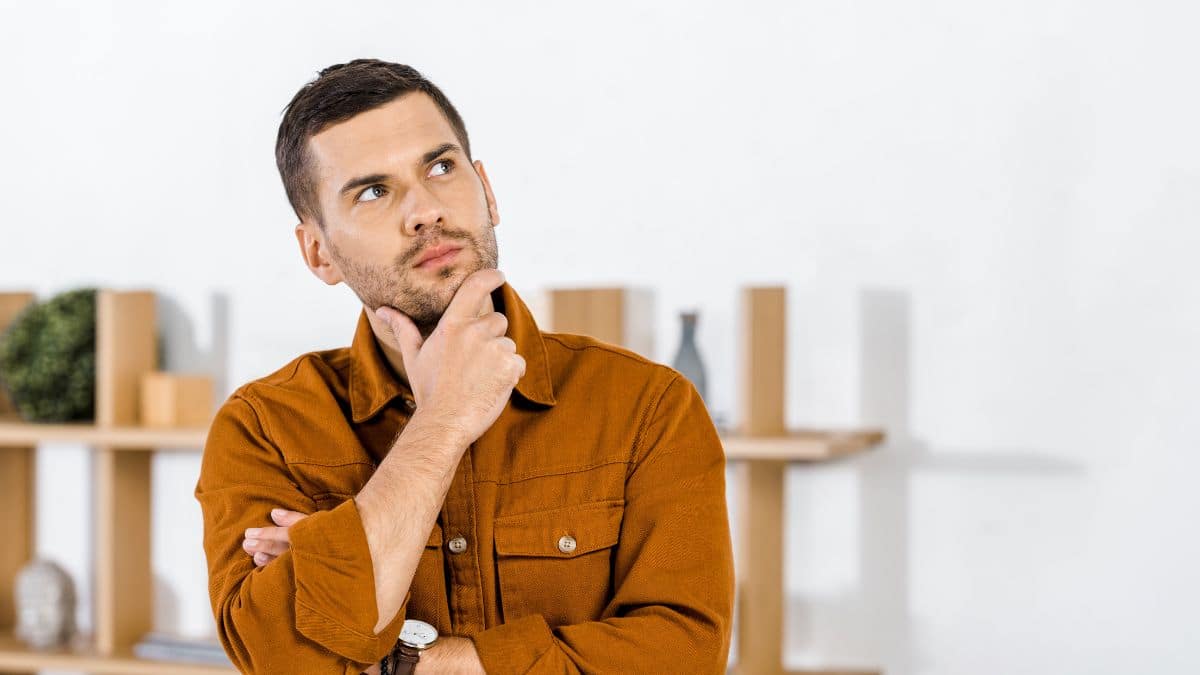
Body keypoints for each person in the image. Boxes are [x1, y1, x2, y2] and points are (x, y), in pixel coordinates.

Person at [194, 59, 734, 674]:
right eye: (373, 191)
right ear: (319, 252)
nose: (425, 209)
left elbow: (683, 657)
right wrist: (442, 421)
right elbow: (286, 662)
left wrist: (410, 663)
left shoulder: (648, 407)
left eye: (441, 167)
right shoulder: (264, 428)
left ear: (488, 192)